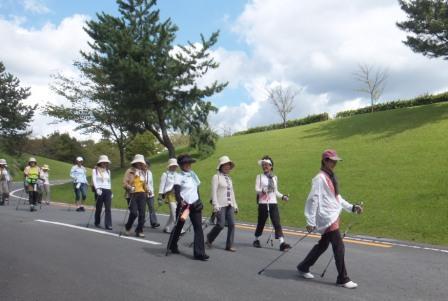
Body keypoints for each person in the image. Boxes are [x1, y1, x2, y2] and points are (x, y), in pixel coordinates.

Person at [297, 149, 363, 289]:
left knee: (323, 245)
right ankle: (343, 278)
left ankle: (303, 266)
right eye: (332, 161)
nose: (334, 163)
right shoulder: (319, 178)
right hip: (326, 216)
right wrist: (310, 220)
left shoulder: (331, 177)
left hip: (332, 215)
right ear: (325, 161)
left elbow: (337, 198)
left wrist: (352, 207)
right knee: (339, 246)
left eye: (335, 161)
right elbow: (313, 199)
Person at [167, 154, 209, 261]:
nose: (188, 165)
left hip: (195, 205)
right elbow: (177, 191)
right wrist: (180, 201)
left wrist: (199, 201)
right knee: (178, 226)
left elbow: (196, 190)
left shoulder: (194, 175)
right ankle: (172, 245)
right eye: (185, 163)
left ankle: (199, 253)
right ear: (181, 165)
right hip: (184, 206)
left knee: (198, 227)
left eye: (189, 163)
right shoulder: (178, 176)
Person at [253, 155, 291, 251]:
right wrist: (263, 190)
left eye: (267, 165)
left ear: (271, 166)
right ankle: (256, 239)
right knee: (261, 223)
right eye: (264, 165)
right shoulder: (259, 177)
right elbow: (256, 190)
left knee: (277, 223)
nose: (265, 166)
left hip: (273, 203)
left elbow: (276, 192)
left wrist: (283, 196)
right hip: (263, 203)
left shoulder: (274, 178)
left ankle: (282, 243)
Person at [206, 156, 239, 252]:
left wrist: (235, 205)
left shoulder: (229, 178)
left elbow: (232, 192)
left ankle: (229, 245)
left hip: (230, 204)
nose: (227, 167)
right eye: (225, 165)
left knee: (232, 224)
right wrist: (215, 205)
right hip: (220, 204)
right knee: (220, 225)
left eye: (228, 165)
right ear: (221, 166)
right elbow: (214, 192)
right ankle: (210, 238)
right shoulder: (216, 177)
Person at [122, 154, 149, 238]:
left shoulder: (143, 172)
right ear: (135, 162)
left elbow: (145, 184)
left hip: (142, 194)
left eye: (141, 162)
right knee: (134, 213)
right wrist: (130, 187)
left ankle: (139, 230)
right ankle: (128, 227)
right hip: (132, 194)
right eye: (138, 162)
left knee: (142, 214)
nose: (140, 164)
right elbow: (124, 183)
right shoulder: (129, 171)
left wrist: (148, 190)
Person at [159, 158, 181, 233]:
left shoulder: (177, 175)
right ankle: (178, 228)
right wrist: (160, 196)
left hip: (177, 195)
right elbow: (162, 185)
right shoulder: (165, 174)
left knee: (172, 213)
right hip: (169, 194)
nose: (174, 167)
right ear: (169, 166)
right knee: (174, 211)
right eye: (173, 165)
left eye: (175, 165)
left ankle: (166, 227)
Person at [92, 155, 113, 230]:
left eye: (106, 162)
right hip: (99, 190)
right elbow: (94, 180)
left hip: (107, 190)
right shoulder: (95, 170)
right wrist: (97, 188)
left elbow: (109, 181)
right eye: (103, 162)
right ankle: (97, 222)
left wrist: (111, 191)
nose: (105, 163)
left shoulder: (108, 171)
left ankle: (108, 224)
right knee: (99, 208)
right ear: (100, 162)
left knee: (108, 208)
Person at [144, 159, 160, 228]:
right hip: (142, 193)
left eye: (147, 165)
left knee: (151, 208)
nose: (146, 167)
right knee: (142, 209)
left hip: (150, 193)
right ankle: (141, 221)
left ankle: (154, 222)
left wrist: (152, 191)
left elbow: (151, 183)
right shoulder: (140, 173)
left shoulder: (149, 173)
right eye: (145, 165)